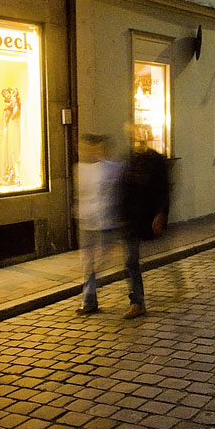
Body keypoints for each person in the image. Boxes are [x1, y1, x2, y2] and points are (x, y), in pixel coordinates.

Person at [119, 126, 170, 319]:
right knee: (131, 261)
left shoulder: (156, 160)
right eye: (131, 134)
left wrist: (161, 215)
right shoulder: (130, 160)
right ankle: (138, 302)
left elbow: (164, 190)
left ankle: (172, 283)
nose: (135, 138)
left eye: (138, 134)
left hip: (149, 218)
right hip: (132, 220)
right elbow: (123, 189)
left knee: (159, 256)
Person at [74, 133, 120, 314]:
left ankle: (91, 292)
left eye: (90, 147)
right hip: (86, 222)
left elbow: (115, 192)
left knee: (101, 261)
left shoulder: (110, 168)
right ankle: (89, 301)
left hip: (105, 223)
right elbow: (79, 194)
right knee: (87, 264)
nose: (86, 151)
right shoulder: (79, 168)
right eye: (83, 147)